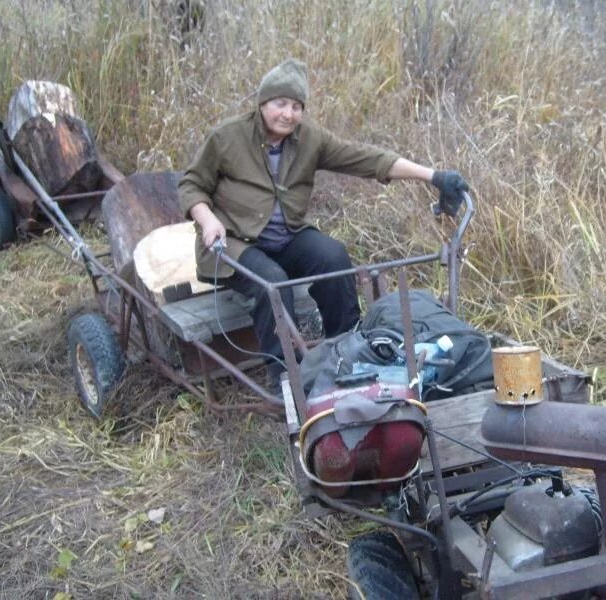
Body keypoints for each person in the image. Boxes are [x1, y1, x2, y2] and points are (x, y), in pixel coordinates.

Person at [178, 58, 468, 390]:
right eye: (280, 104)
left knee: (333, 257)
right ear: (262, 103)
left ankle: (347, 354)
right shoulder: (227, 137)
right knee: (271, 283)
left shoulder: (309, 139)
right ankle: (286, 382)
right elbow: (191, 184)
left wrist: (434, 177)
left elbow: (368, 159)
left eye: (296, 106)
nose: (288, 114)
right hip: (233, 241)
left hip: (286, 237)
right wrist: (207, 218)